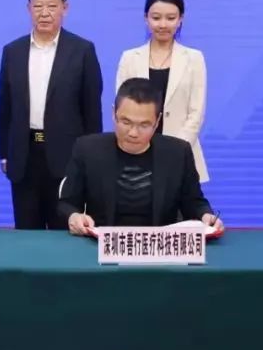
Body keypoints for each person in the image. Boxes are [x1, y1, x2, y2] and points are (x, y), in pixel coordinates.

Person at [0, 0, 103, 229]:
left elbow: (92, 109)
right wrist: (4, 153)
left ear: (65, 8)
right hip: (24, 155)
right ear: (28, 8)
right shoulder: (13, 51)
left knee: (63, 230)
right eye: (38, 6)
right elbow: (5, 107)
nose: (44, 13)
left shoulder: (82, 50)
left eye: (52, 6)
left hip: (67, 156)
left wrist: (91, 156)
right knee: (26, 230)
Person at [60, 78, 223, 234]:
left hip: (159, 247)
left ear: (157, 121)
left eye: (144, 125)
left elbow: (194, 203)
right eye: (126, 122)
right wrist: (74, 216)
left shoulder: (178, 153)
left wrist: (205, 215)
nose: (133, 133)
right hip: (102, 245)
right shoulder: (87, 149)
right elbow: (66, 204)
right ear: (114, 114)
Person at [115, 0, 209, 181]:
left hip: (181, 155)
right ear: (146, 18)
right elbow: (122, 109)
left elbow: (196, 114)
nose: (163, 24)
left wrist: (175, 150)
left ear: (181, 19)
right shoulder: (130, 58)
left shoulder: (194, 59)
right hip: (136, 152)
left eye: (171, 18)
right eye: (156, 18)